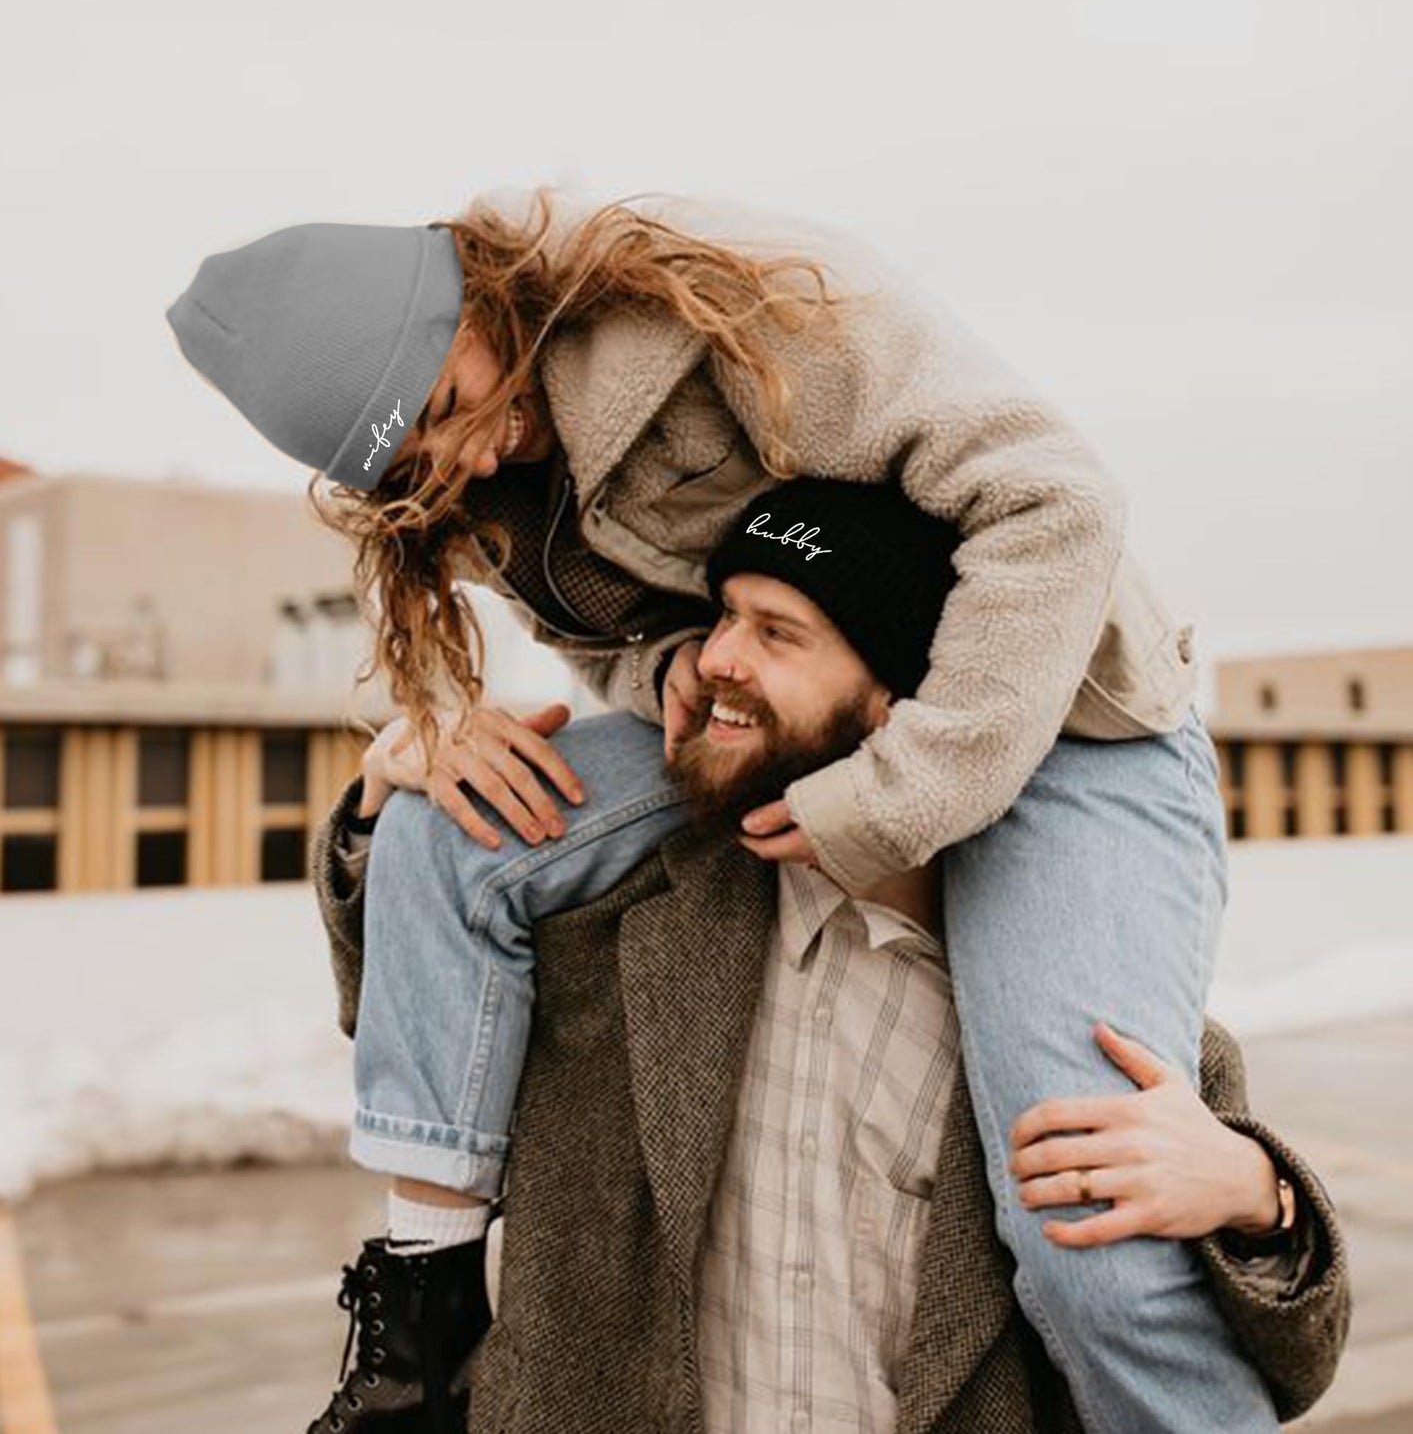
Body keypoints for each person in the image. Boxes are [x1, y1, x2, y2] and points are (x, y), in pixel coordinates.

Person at [168, 189, 1272, 1431]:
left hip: (1066, 718)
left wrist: (901, 794)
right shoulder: (493, 487)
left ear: (469, 296)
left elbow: (1054, 499)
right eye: (419, 463)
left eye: (444, 404)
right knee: (445, 827)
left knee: (1087, 1227)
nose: (466, 457)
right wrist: (568, 707)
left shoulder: (726, 297)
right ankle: (419, 1330)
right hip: (804, 716)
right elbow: (617, 650)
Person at [308, 478, 1348, 1433]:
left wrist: (1262, 1197)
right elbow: (407, 1000)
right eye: (722, 615)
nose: (712, 657)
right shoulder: (618, 936)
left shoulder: (1077, 1016)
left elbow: (1278, 1367)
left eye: (777, 631)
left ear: (898, 706)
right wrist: (391, 809)